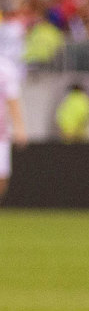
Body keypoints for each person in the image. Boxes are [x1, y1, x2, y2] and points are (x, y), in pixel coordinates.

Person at [0, 54, 27, 202]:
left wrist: (19, 127)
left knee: (2, 177)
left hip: (1, 133)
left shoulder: (6, 68)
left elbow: (13, 100)